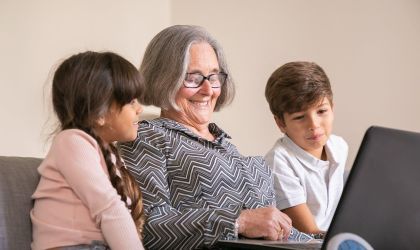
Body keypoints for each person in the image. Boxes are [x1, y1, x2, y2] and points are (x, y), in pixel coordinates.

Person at [119, 25, 296, 249]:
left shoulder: (227, 147)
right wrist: (238, 221)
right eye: (193, 78)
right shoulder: (146, 137)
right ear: (164, 79)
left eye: (213, 76)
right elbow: (145, 226)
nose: (208, 89)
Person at [31, 51, 146, 250]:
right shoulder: (72, 142)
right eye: (131, 101)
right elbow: (109, 208)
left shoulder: (107, 152)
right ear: (98, 113)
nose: (140, 109)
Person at [264, 61, 348, 235]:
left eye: (322, 111)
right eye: (300, 117)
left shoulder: (339, 146)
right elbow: (310, 232)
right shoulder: (279, 161)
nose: (314, 125)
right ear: (281, 123)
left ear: (332, 108)